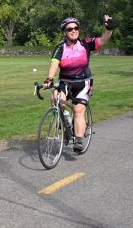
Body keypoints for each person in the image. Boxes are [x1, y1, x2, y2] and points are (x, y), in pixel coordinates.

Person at [42, 14, 114, 153]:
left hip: (83, 83)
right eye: (70, 29)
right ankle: (66, 120)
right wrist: (49, 79)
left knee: (78, 110)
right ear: (64, 32)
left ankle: (78, 140)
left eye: (76, 28)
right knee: (55, 98)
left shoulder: (85, 44)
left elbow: (103, 40)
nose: (74, 30)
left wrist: (109, 29)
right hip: (65, 82)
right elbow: (54, 63)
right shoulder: (60, 47)